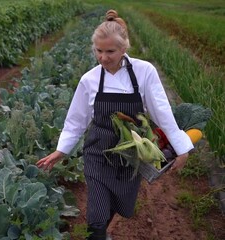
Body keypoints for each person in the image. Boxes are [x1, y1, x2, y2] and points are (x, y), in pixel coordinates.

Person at [36, 9, 193, 240]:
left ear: (124, 48)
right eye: (98, 51)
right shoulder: (89, 79)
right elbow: (76, 120)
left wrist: (181, 146)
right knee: (97, 211)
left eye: (110, 51)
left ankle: (101, 233)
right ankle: (97, 235)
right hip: (98, 152)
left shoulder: (144, 72)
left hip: (130, 154)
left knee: (117, 204)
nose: (103, 57)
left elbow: (162, 112)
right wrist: (62, 150)